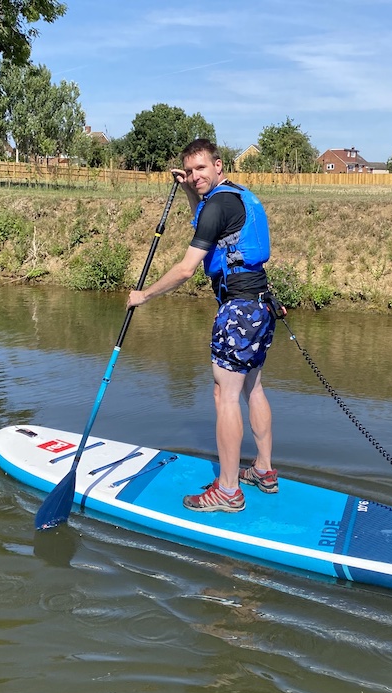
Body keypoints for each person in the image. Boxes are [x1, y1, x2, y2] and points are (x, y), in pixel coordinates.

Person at [127, 138, 279, 513]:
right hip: (261, 306)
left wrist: (143, 296)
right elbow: (208, 223)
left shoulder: (217, 205)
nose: (195, 176)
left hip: (238, 311)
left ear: (218, 166)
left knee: (224, 396)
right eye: (190, 171)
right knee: (253, 388)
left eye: (201, 169)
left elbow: (185, 269)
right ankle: (263, 469)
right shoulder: (235, 197)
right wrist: (188, 193)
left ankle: (228, 490)